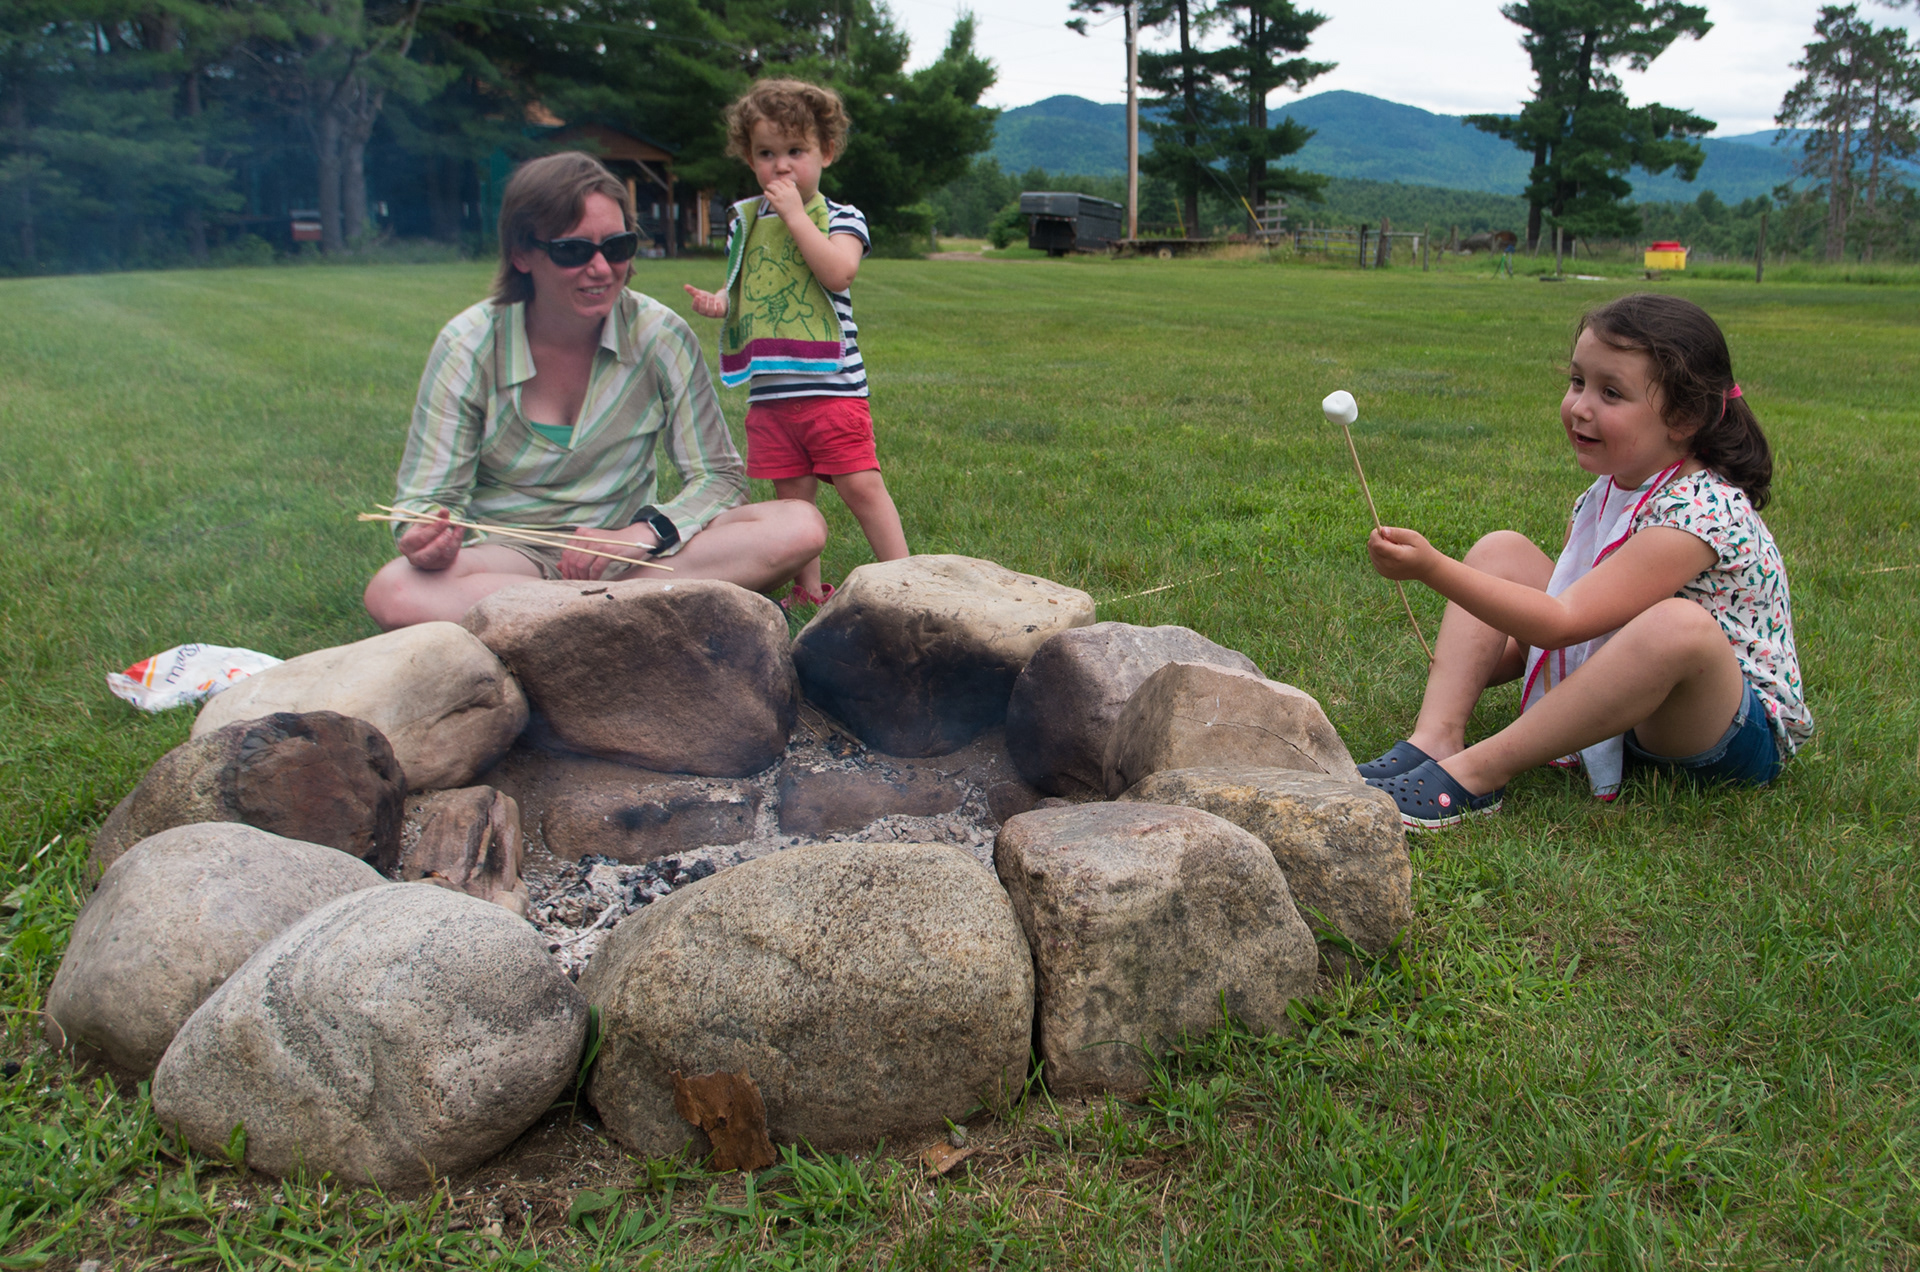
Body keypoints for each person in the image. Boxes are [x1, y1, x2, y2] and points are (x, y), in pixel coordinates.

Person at [1359, 293, 1812, 829]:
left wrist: (1432, 568)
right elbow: (1563, 633)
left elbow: (1563, 623)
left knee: (1678, 626)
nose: (1580, 406)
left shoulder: (1701, 512)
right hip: (1636, 701)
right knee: (1501, 551)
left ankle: (1476, 774)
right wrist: (1474, 660)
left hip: (1725, 730)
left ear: (1685, 417)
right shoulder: (1607, 493)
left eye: (1611, 392)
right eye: (1578, 381)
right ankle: (1433, 738)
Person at [364, 152, 826, 630]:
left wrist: (643, 533)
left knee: (799, 525)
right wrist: (427, 537)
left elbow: (720, 478)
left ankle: (549, 619)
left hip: (630, 553)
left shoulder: (659, 334)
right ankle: (628, 611)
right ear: (522, 255)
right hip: (509, 557)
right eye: (573, 251)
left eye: (618, 246)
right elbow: (425, 500)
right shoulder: (468, 346)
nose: (602, 268)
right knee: (394, 591)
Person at [682, 78, 909, 609]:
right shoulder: (746, 223)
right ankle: (808, 593)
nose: (780, 166)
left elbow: (837, 272)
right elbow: (751, 287)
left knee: (861, 486)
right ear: (749, 158)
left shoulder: (842, 217)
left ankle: (905, 577)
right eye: (766, 154)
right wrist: (721, 300)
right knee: (793, 503)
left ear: (825, 152)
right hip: (772, 396)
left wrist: (794, 217)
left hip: (833, 390)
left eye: (795, 152)